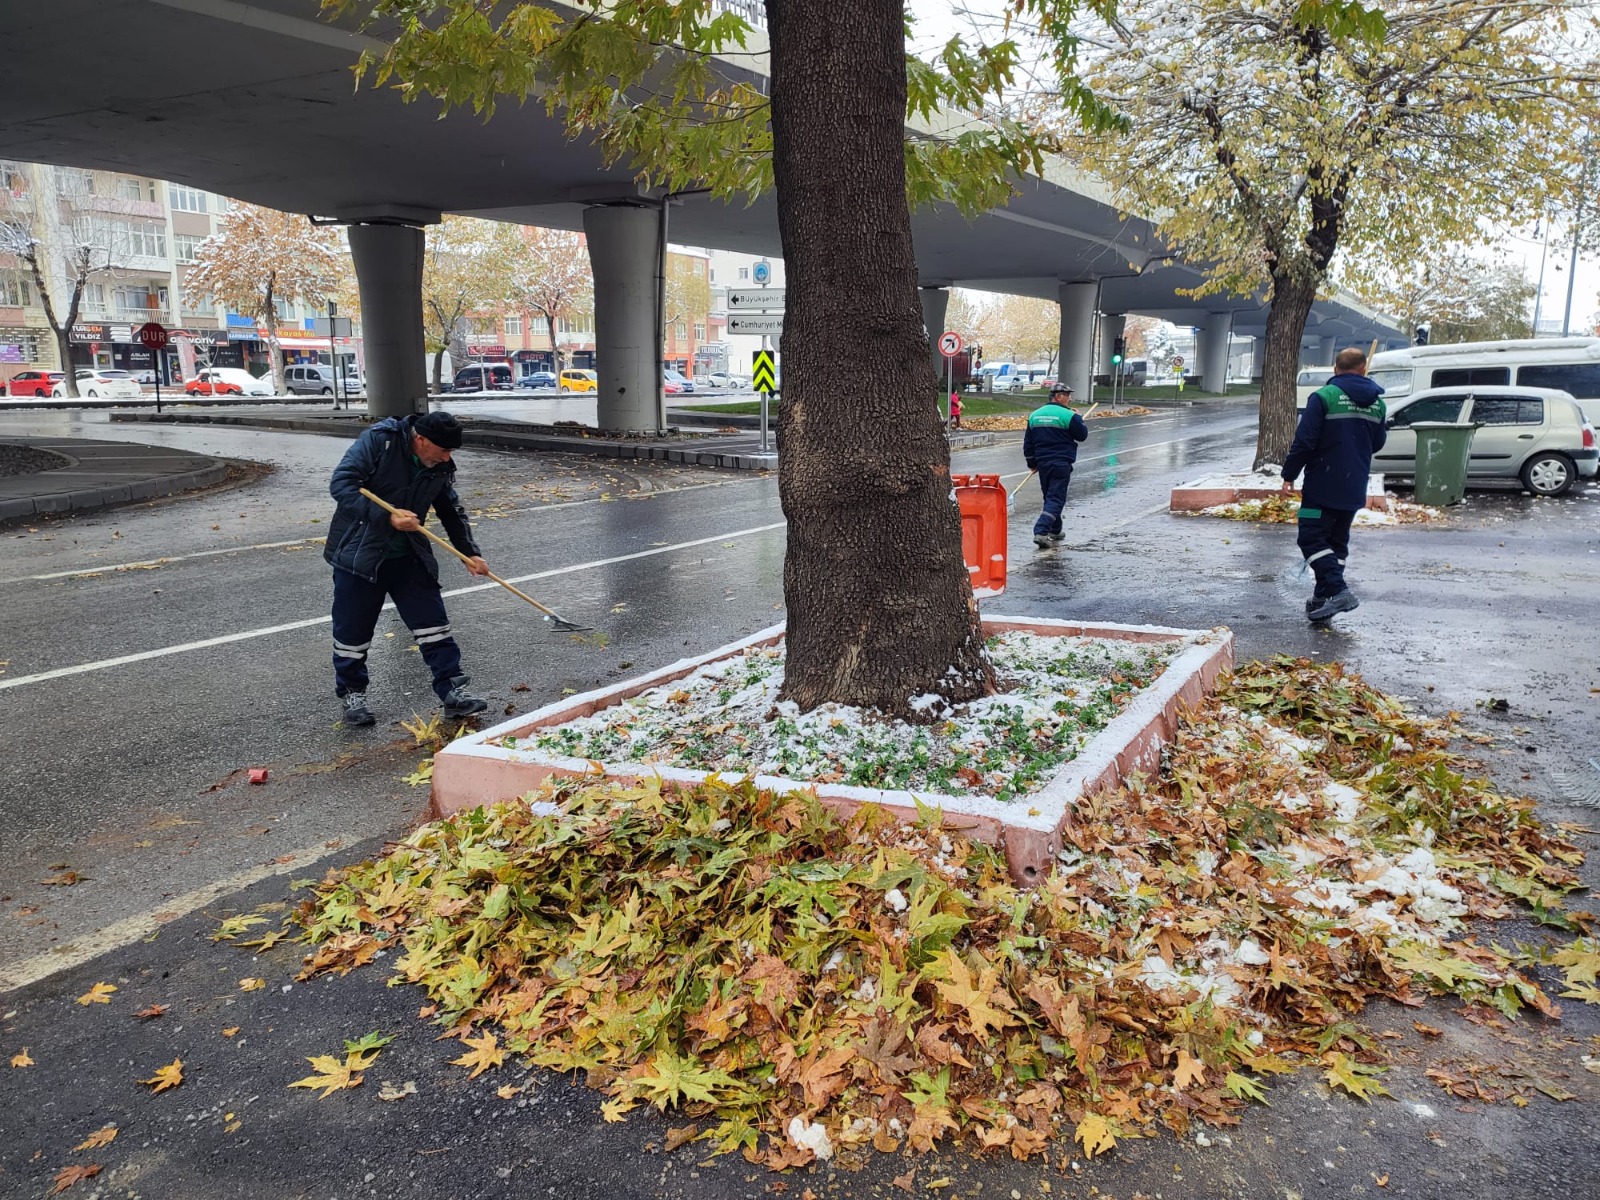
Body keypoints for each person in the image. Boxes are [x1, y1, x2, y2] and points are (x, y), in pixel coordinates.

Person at [324, 410, 492, 727]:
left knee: (433, 625)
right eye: (444, 450)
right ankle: (352, 694)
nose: (448, 457)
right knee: (352, 632)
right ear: (421, 439)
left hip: (408, 554)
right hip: (359, 554)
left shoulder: (439, 465)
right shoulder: (380, 442)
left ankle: (453, 692)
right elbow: (341, 484)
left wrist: (468, 552)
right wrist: (387, 516)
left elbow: (451, 510)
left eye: (451, 451)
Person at [1279, 346, 1387, 622]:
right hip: (1354, 488)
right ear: (1363, 369)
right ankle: (1321, 598)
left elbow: (1305, 441)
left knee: (1309, 536)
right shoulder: (1378, 403)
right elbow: (1377, 443)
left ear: (1335, 368)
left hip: (1321, 488)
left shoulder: (1323, 397)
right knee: (1336, 543)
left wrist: (1289, 474)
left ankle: (1338, 590)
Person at [1023, 382, 1089, 549]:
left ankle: (1055, 529)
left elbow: (1028, 444)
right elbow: (1082, 436)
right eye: (1068, 395)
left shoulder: (1034, 415)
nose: (1070, 398)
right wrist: (1079, 419)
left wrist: (1032, 463)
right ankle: (1041, 531)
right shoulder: (1069, 415)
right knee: (1056, 498)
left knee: (1050, 496)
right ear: (1058, 396)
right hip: (1061, 462)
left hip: (1043, 463)